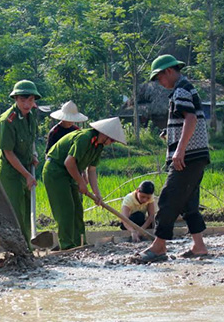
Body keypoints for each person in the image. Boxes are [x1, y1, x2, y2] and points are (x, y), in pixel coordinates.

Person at [136, 54, 210, 263]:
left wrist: (179, 150)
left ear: (168, 71)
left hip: (187, 157)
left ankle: (159, 246)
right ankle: (198, 245)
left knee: (168, 199)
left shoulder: (181, 90)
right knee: (188, 203)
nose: (160, 83)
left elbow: (191, 119)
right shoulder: (185, 89)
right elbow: (188, 120)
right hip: (196, 155)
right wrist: (171, 136)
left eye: (159, 77)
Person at [43, 117, 126, 250]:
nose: (111, 143)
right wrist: (81, 182)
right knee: (66, 209)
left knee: (77, 210)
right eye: (111, 139)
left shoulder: (98, 146)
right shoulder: (84, 138)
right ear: (104, 134)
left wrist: (97, 193)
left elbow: (91, 170)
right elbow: (69, 162)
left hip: (71, 173)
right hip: (56, 171)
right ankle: (67, 245)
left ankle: (80, 243)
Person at [0, 80, 40, 245]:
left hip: (25, 170)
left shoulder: (31, 117)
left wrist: (32, 157)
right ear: (15, 99)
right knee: (15, 214)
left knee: (27, 211)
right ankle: (18, 250)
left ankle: (27, 247)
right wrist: (27, 174)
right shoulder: (7, 121)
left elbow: (29, 142)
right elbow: (8, 153)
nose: (27, 104)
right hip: (11, 174)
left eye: (30, 100)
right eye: (23, 100)